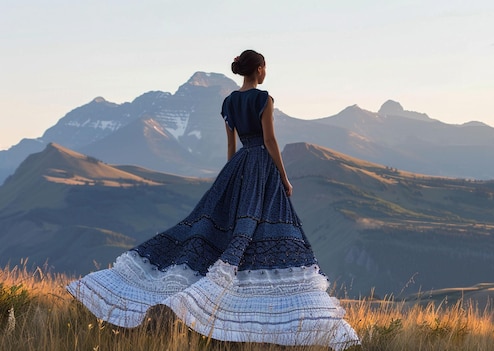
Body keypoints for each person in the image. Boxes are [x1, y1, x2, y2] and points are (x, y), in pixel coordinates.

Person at [67, 49, 360, 350]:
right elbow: (270, 140)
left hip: (238, 168)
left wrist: (230, 179)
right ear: (259, 69)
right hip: (262, 169)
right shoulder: (264, 99)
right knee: (266, 233)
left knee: (221, 231)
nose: (265, 72)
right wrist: (283, 177)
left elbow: (231, 147)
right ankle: (259, 316)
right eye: (265, 67)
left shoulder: (229, 102)